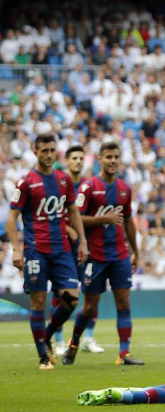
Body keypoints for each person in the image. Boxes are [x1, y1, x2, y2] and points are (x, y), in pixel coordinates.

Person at [6, 133, 89, 369]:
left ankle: (48, 334)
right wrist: (16, 250)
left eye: (52, 150)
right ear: (35, 153)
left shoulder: (63, 180)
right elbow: (11, 219)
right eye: (44, 151)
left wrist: (82, 241)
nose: (49, 155)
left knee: (71, 299)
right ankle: (44, 356)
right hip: (36, 251)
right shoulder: (25, 182)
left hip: (62, 250)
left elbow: (73, 212)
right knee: (38, 301)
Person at [63, 141, 143, 366]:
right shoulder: (89, 187)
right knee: (89, 307)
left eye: (116, 156)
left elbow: (128, 222)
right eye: (108, 156)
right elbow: (74, 218)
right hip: (94, 256)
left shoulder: (124, 189)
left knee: (124, 302)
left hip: (119, 255)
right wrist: (103, 219)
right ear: (100, 159)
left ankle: (124, 353)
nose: (113, 161)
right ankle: (74, 344)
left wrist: (136, 252)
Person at [53, 145, 104, 357]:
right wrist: (67, 229)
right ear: (66, 160)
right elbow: (50, 215)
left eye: (81, 158)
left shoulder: (88, 185)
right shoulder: (57, 184)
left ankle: (88, 338)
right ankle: (58, 340)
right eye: (74, 158)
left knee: (92, 294)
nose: (78, 161)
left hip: (86, 246)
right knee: (62, 295)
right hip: (61, 247)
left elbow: (90, 215)